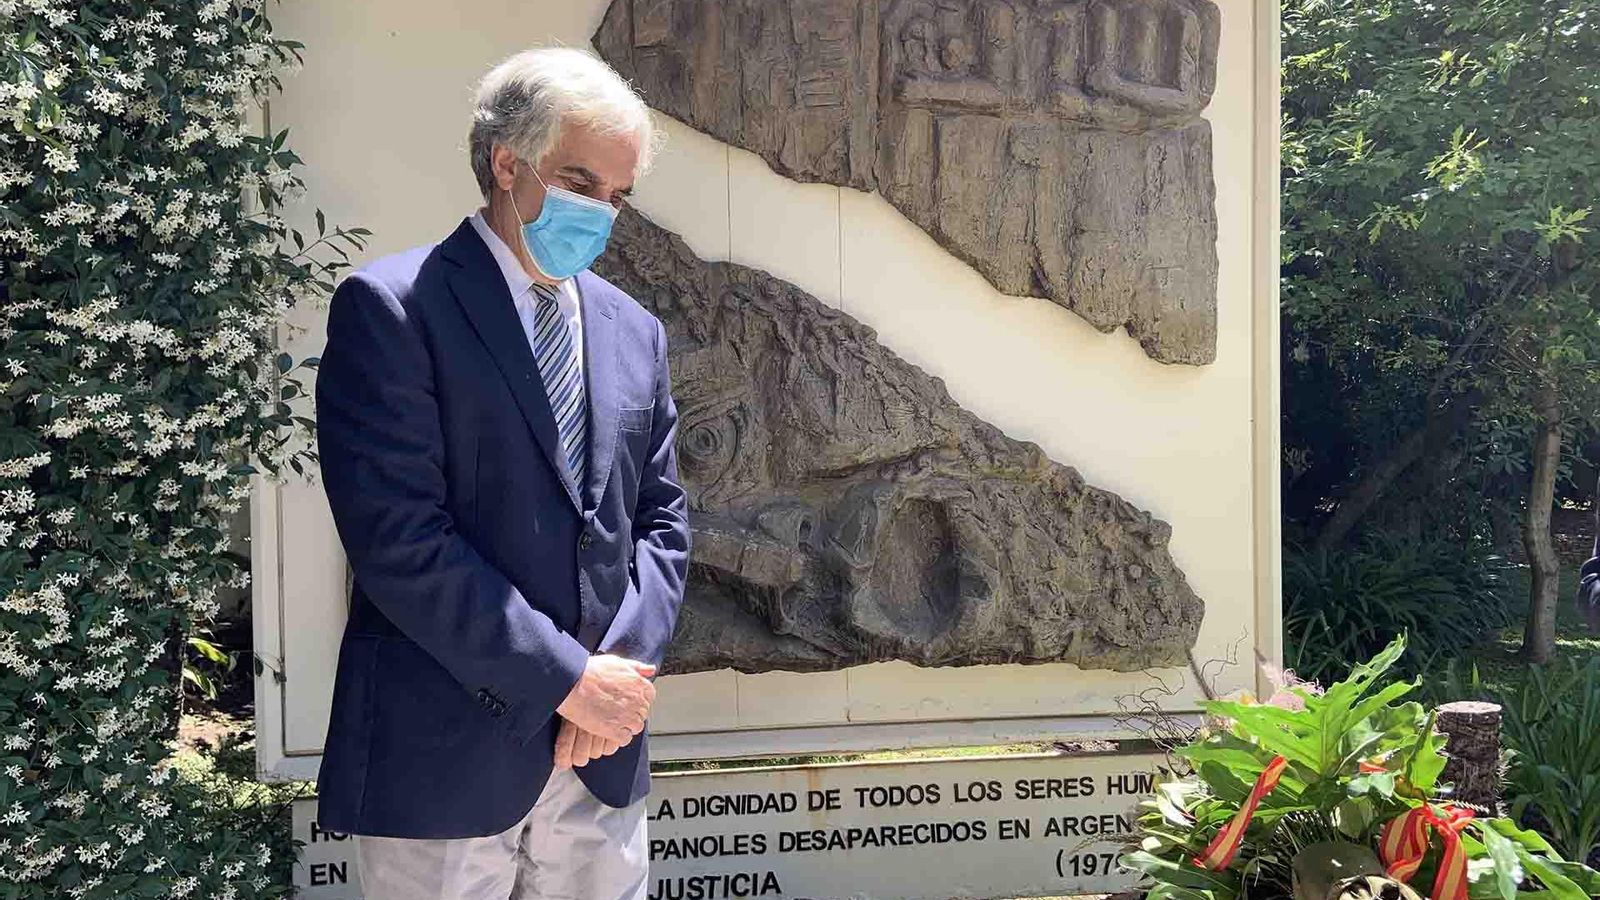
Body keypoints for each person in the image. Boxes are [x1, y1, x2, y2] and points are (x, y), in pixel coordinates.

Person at [312, 46, 691, 900]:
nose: (601, 213)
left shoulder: (636, 330)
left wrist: (613, 689)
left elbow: (661, 520)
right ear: (508, 163)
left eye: (617, 197)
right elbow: (401, 541)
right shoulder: (393, 309)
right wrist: (565, 680)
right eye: (582, 184)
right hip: (446, 755)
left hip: (597, 760)